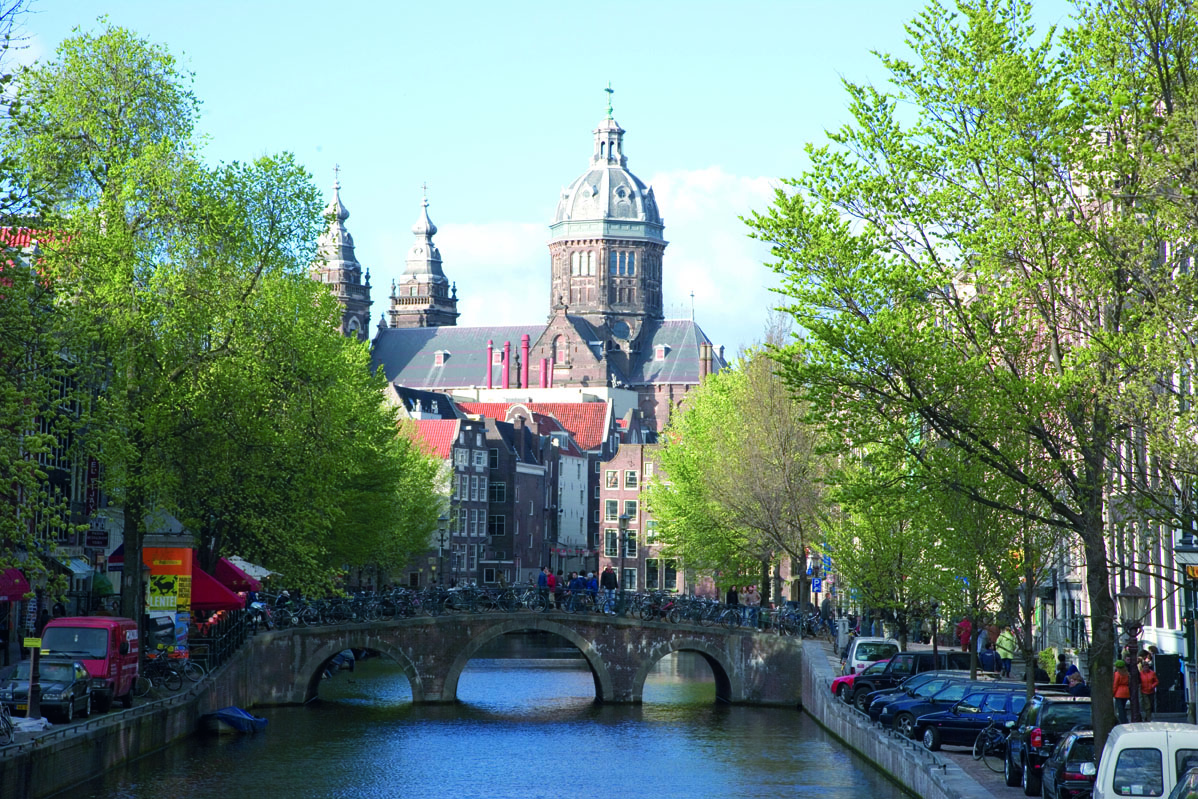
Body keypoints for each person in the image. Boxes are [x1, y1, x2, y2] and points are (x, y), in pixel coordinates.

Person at [1139, 651, 1159, 722]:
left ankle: (1147, 716)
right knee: (1147, 705)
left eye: (1146, 666)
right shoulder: (1140, 674)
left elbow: (1156, 681)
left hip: (1151, 691)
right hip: (1144, 691)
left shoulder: (1152, 673)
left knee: (1151, 704)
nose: (1145, 668)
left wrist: (1152, 686)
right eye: (1144, 667)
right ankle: (1148, 718)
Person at [1114, 659, 1131, 724]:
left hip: (1118, 693)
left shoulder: (1117, 674)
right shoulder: (1127, 674)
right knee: (1123, 707)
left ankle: (1122, 721)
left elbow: (1115, 684)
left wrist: (1113, 692)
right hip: (1126, 692)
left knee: (1120, 709)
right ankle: (1125, 720)